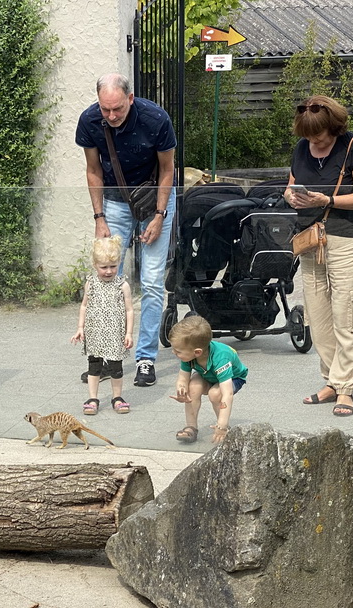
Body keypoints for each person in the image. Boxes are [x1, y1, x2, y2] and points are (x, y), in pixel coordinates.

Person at [75, 72, 177, 388]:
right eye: (106, 109)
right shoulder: (90, 121)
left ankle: (145, 359)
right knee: (108, 281)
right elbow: (93, 170)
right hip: (114, 203)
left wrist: (160, 215)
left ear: (129, 99)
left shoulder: (155, 118)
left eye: (117, 108)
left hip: (154, 199)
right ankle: (108, 357)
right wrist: (99, 217)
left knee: (150, 280)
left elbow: (167, 169)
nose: (112, 116)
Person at [285, 95, 353, 417]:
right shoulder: (301, 149)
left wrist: (328, 199)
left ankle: (347, 388)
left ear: (334, 127)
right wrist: (292, 196)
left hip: (348, 239)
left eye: (320, 136)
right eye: (309, 137)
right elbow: (291, 184)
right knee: (319, 316)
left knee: (348, 315)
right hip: (311, 240)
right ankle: (331, 380)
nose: (314, 142)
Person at [70, 236, 134, 415]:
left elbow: (129, 310)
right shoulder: (91, 283)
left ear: (119, 263)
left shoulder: (122, 285)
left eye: (112, 266)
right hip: (95, 333)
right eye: (103, 267)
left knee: (116, 367)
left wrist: (129, 333)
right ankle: (93, 398)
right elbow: (84, 305)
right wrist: (80, 328)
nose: (108, 271)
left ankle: (117, 397)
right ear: (95, 264)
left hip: (115, 334)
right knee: (94, 366)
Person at [168, 315, 247, 444]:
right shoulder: (188, 355)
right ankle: (191, 427)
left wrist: (222, 424)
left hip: (233, 377)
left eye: (177, 351)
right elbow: (183, 378)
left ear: (197, 352)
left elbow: (227, 393)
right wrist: (181, 390)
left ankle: (223, 428)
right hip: (208, 374)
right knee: (192, 387)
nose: (174, 353)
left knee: (215, 394)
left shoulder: (221, 357)